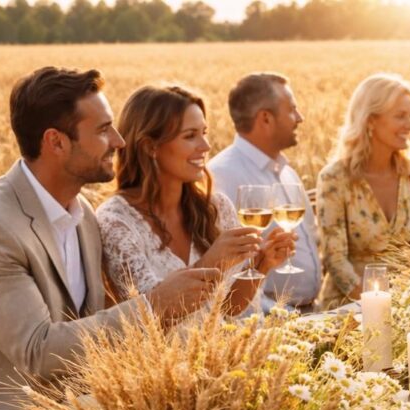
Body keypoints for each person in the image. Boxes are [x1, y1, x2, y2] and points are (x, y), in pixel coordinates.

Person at [0, 67, 217, 410]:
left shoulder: (83, 216)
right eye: (102, 130)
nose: (119, 141)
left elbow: (88, 329)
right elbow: (39, 352)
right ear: (56, 142)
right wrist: (156, 306)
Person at [98, 85, 292, 315]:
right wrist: (213, 261)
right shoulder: (116, 222)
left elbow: (228, 309)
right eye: (190, 136)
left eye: (204, 133)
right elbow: (148, 317)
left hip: (221, 348)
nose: (206, 146)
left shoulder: (216, 208)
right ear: (150, 146)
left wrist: (262, 264)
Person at [316, 73, 410, 310]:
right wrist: (377, 306)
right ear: (370, 120)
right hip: (347, 307)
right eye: (400, 116)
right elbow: (335, 259)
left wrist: (409, 301)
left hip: (405, 304)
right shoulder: (335, 177)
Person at [210, 72, 322, 313]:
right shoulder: (223, 176)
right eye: (292, 110)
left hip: (309, 314)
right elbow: (223, 276)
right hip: (269, 324)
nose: (300, 118)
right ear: (266, 119)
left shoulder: (286, 171)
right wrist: (282, 315)